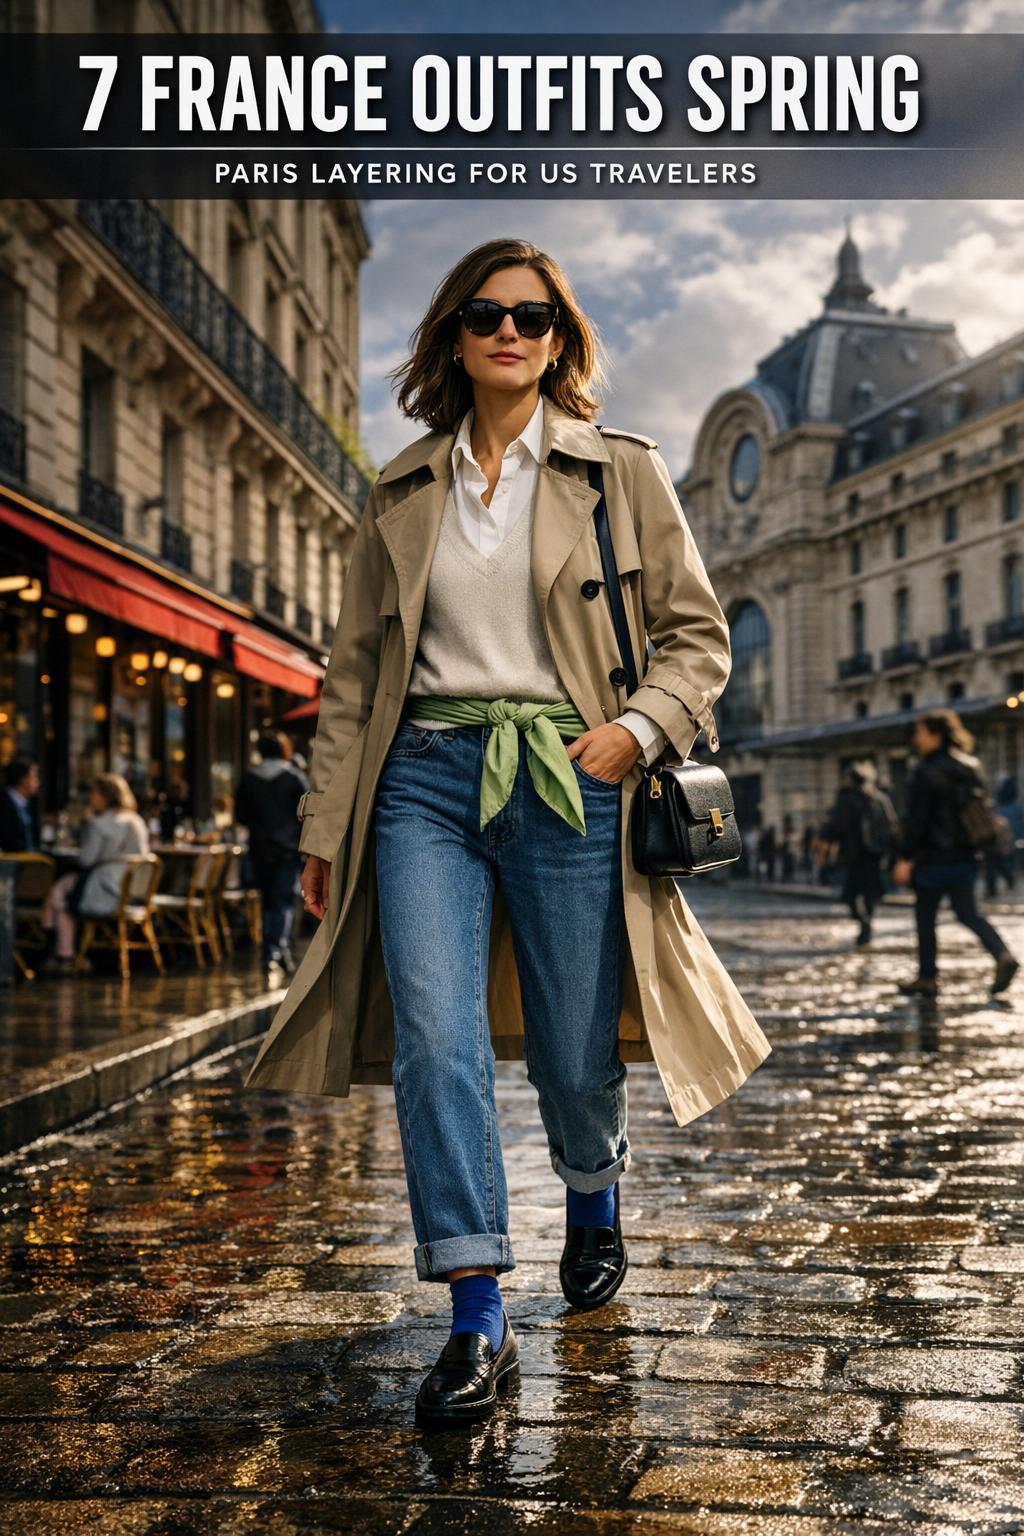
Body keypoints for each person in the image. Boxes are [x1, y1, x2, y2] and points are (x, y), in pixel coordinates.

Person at [243, 237, 771, 1429]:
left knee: (577, 1047)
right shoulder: (403, 486)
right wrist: (324, 834)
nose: (509, 332)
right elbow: (353, 674)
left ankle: (593, 1196)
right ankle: (474, 1308)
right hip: (423, 779)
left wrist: (635, 731)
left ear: (559, 340)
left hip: (572, 778)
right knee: (438, 1040)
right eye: (485, 313)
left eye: (532, 317)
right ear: (454, 335)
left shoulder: (616, 471)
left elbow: (700, 636)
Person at [892, 709, 1019, 999]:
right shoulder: (970, 765)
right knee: (969, 913)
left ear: (935, 734)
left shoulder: (924, 771)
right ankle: (1002, 954)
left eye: (920, 732)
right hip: (966, 856)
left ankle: (928, 977)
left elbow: (918, 820)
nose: (916, 738)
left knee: (925, 917)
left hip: (933, 858)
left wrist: (905, 857)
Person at [43, 773, 149, 973]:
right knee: (63, 889)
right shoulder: (137, 821)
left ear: (105, 796)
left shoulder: (100, 823)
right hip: (134, 890)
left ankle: (60, 951)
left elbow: (86, 860)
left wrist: (86, 827)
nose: (90, 798)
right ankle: (62, 949)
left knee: (60, 892)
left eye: (93, 793)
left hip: (105, 890)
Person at [234, 733, 308, 984]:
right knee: (284, 902)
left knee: (268, 902)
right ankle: (275, 952)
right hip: (287, 850)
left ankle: (277, 951)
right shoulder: (294, 777)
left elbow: (241, 816)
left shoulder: (249, 778)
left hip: (259, 848)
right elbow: (306, 812)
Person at [819, 762, 898, 948]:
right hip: (874, 855)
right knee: (870, 893)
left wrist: (827, 847)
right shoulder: (880, 798)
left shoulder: (847, 799)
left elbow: (836, 827)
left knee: (849, 895)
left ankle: (864, 923)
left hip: (854, 856)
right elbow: (892, 826)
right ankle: (866, 922)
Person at [0, 758, 40, 851]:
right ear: (24, 780)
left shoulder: (26, 805)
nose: (38, 783)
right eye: (34, 777)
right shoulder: (3, 805)